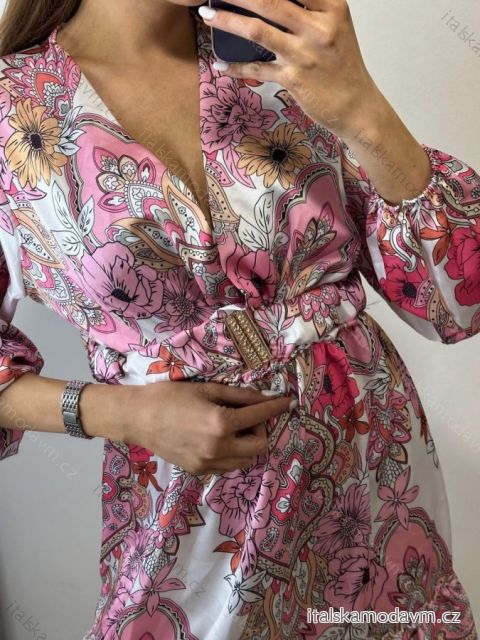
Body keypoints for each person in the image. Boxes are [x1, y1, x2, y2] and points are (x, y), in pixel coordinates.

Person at [0, 0, 478, 638]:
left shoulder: (284, 53)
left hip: (374, 482)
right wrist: (122, 414)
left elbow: (458, 301)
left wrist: (359, 102)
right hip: (190, 518)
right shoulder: (13, 111)